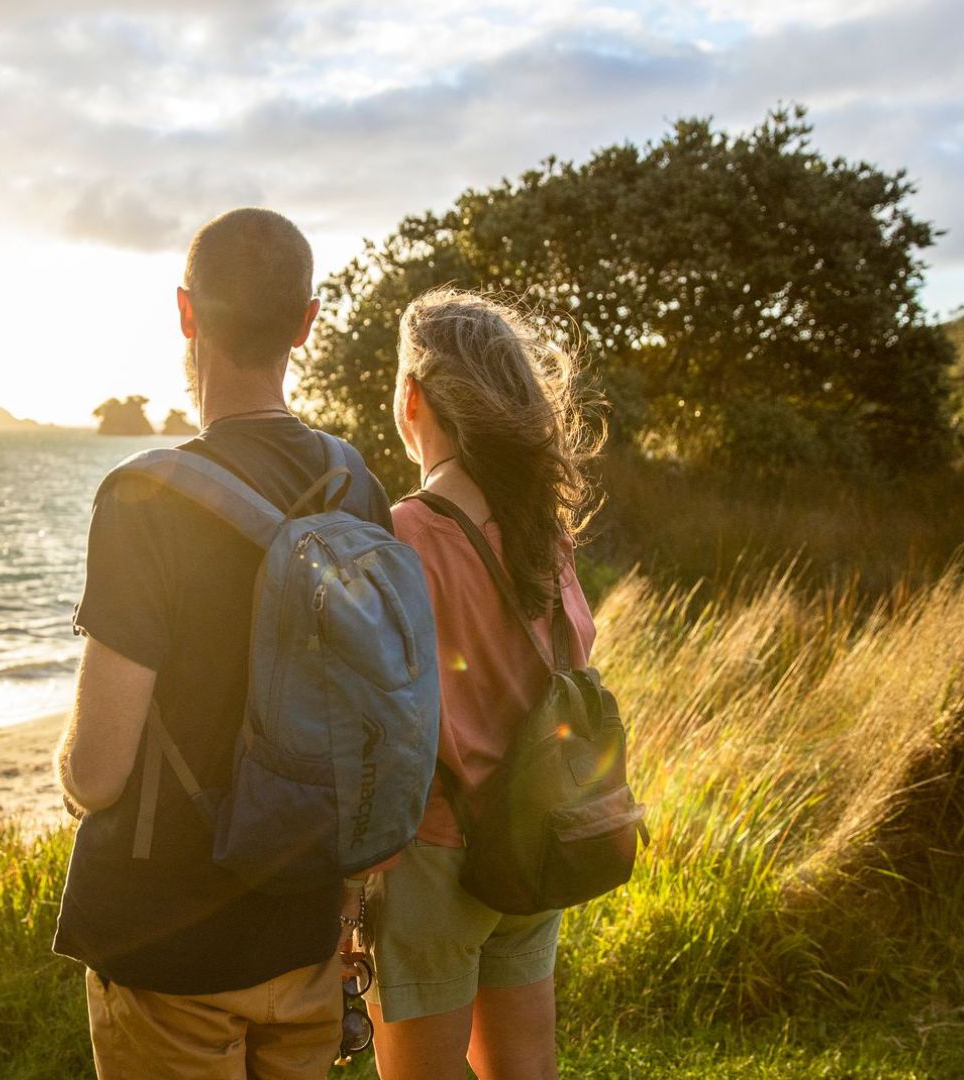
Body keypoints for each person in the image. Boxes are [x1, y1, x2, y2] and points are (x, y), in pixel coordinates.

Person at [53, 207, 395, 1079]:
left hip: (168, 945)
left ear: (185, 312)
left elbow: (97, 774)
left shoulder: (142, 500)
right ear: (308, 322)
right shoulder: (355, 486)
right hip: (305, 930)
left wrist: (66, 768)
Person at [358, 289, 603, 1079]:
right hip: (532, 838)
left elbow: (376, 724)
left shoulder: (398, 537)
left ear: (411, 398)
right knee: (524, 1070)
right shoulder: (545, 531)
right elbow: (578, 663)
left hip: (432, 854)